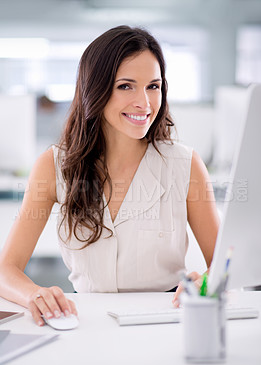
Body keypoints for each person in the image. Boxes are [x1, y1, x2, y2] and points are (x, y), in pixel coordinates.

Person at [0, 25, 219, 326]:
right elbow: (6, 269)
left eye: (153, 86)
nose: (144, 102)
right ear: (96, 89)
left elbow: (226, 265)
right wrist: (33, 294)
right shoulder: (53, 166)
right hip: (85, 325)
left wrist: (205, 284)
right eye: (126, 86)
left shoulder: (185, 165)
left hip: (165, 325)